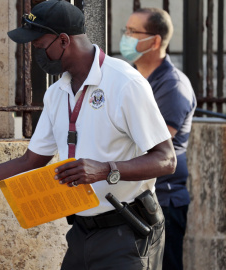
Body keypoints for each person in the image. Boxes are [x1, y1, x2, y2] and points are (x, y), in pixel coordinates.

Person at [0, 1, 177, 269]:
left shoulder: (125, 83)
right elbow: (29, 162)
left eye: (39, 45)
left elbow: (166, 159)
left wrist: (105, 169)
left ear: (64, 40)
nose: (34, 53)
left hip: (127, 232)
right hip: (81, 232)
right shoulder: (57, 92)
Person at [120, 8, 197, 270]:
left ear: (154, 41)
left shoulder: (172, 85)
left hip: (161, 200)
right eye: (126, 31)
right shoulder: (129, 79)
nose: (126, 38)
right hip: (131, 197)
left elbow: (152, 144)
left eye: (133, 32)